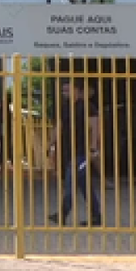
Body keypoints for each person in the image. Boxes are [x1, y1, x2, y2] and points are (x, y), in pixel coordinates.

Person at [49, 78, 104, 227]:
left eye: (68, 90)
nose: (64, 93)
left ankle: (62, 214)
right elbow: (59, 126)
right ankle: (96, 216)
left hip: (82, 152)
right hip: (69, 151)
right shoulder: (65, 107)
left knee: (70, 182)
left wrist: (93, 148)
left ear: (77, 91)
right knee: (85, 186)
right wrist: (51, 143)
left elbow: (95, 128)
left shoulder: (87, 107)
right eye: (63, 90)